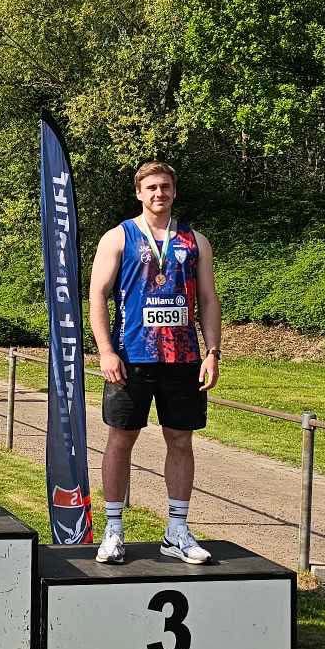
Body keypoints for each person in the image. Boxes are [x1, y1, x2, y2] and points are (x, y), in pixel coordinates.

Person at [88, 159, 222, 566]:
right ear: (139, 193)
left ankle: (176, 531)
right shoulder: (119, 237)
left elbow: (208, 300)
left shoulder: (195, 240)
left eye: (165, 186)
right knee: (121, 439)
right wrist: (106, 350)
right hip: (131, 357)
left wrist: (212, 352)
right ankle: (113, 530)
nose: (159, 193)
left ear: (174, 191)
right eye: (151, 187)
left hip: (183, 358)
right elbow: (97, 294)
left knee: (181, 440)